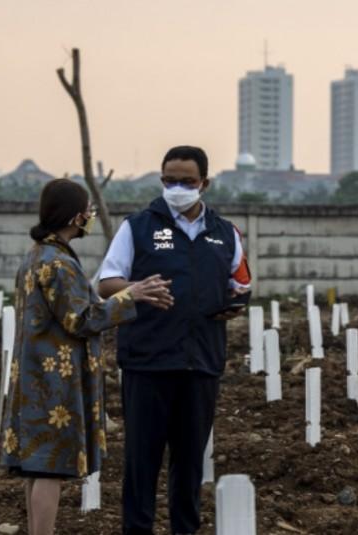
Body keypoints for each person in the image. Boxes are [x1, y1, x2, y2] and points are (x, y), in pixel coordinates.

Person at [1, 179, 173, 535]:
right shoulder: (59, 263)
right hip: (55, 382)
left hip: (35, 374)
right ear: (74, 216)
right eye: (87, 211)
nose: (90, 217)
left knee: (38, 466)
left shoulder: (37, 255)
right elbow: (80, 319)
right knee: (50, 467)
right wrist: (131, 296)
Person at [98, 146, 250, 535]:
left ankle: (185, 529)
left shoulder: (225, 233)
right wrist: (136, 289)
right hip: (147, 361)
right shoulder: (138, 227)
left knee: (190, 462)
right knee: (142, 460)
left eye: (187, 181)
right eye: (170, 181)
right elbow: (106, 282)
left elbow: (241, 283)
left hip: (201, 362)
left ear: (205, 184)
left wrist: (235, 303)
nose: (177, 188)